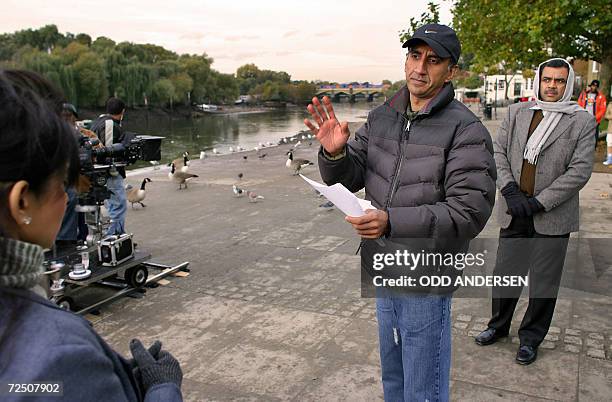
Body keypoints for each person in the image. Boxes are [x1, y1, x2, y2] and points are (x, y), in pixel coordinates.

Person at [305, 23, 496, 401]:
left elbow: (468, 212)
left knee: (423, 386)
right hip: (382, 265)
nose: (420, 68)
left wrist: (391, 221)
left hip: (426, 273)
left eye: (433, 60)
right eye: (414, 55)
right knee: (394, 376)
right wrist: (334, 153)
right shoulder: (381, 116)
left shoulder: (467, 130)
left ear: (450, 71)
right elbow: (352, 176)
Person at [0, 70, 183, 401]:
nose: (69, 196)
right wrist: (162, 388)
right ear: (22, 201)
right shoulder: (59, 353)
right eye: (62, 184)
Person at [475, 58, 596, 365]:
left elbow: (580, 171)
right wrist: (510, 190)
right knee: (505, 274)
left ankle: (530, 338)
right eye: (547, 80)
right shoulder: (517, 112)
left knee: (544, 281)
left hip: (552, 215)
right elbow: (497, 152)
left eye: (558, 81)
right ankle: (498, 327)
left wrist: (540, 202)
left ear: (567, 84)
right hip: (514, 209)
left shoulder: (581, 120)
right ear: (539, 81)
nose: (552, 86)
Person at [90, 97, 129, 236]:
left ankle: (118, 234)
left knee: (113, 205)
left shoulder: (97, 122)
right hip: (108, 173)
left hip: (97, 172)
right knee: (118, 205)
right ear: (122, 111)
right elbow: (108, 151)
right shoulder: (109, 124)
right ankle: (115, 237)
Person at [578, 79, 607, 146]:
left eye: (596, 86)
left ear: (597, 87)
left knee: (593, 138)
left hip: (594, 121)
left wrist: (595, 118)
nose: (594, 87)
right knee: (582, 136)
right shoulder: (583, 94)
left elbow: (603, 109)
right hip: (584, 119)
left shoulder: (601, 97)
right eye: (593, 86)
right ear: (590, 86)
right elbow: (579, 104)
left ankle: (592, 150)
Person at [603, 100, 612, 165]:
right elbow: (606, 115)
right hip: (610, 128)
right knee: (609, 142)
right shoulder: (610, 104)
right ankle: (610, 159)